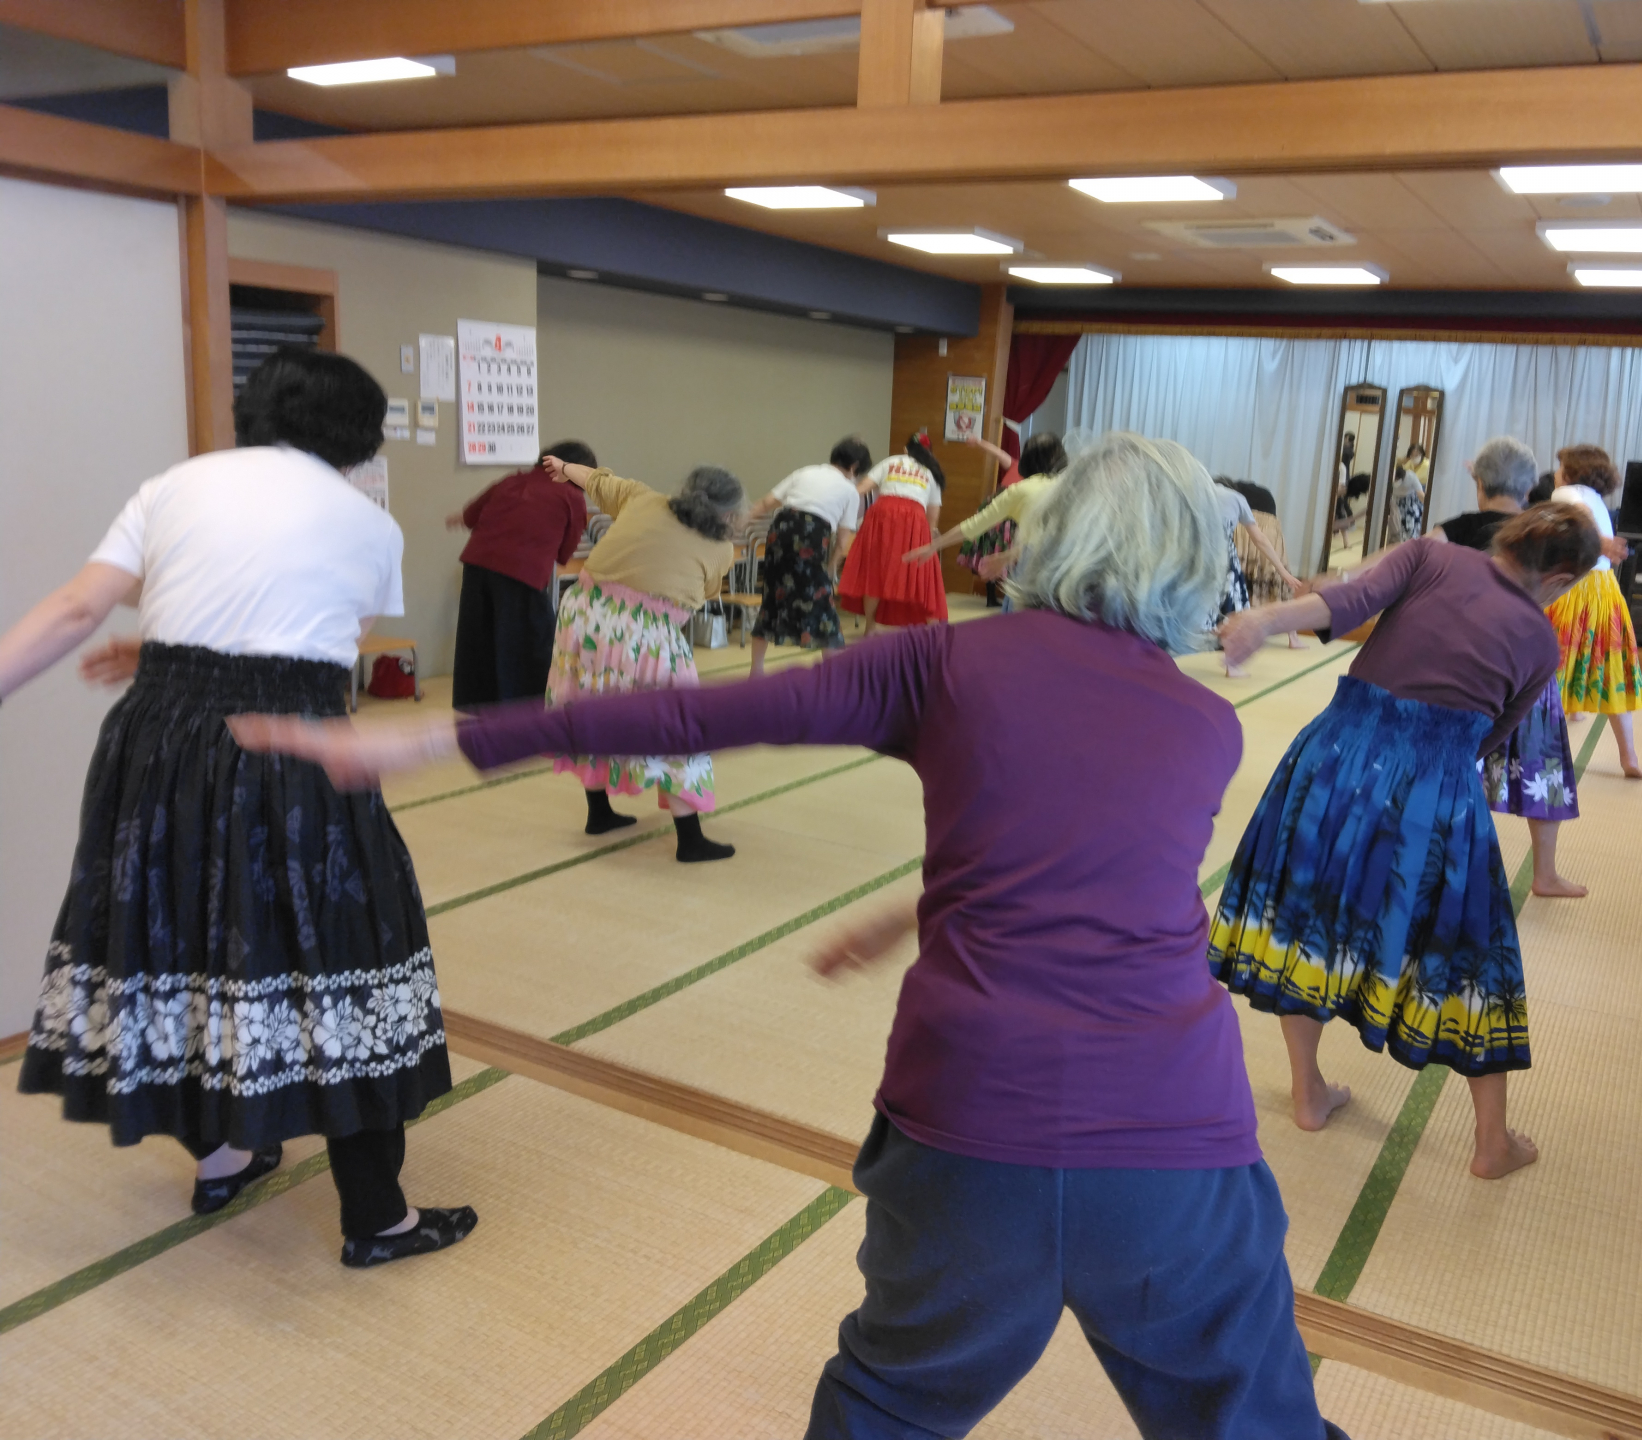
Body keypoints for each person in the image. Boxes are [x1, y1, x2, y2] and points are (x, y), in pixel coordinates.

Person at [234, 433, 1348, 1440]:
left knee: (888, 1408)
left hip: (971, 1121)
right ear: (1189, 561)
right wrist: (919, 909)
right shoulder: (1208, 726)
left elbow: (697, 711)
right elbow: (1107, 880)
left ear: (1051, 536)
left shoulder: (948, 663)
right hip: (1177, 1140)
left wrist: (438, 740)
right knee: (1256, 1419)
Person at [0, 348, 473, 1267]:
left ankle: (223, 1156)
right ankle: (377, 1219)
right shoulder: (370, 526)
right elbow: (325, 650)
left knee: (173, 938)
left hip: (155, 747)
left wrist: (160, 658)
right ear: (359, 436)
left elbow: (75, 609)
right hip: (289, 748)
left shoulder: (174, 485)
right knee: (344, 953)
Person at [1210, 503, 1601, 1180]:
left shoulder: (1429, 556)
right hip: (1436, 787)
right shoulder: (1540, 643)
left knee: (1307, 916)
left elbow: (1344, 600)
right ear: (1561, 578)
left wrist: (1265, 620)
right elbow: (1490, 738)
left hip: (1334, 759)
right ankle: (1492, 1143)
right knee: (1475, 954)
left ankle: (1308, 1093)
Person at [543, 455, 742, 857]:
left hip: (583, 614)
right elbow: (703, 593)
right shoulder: (720, 548)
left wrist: (564, 468)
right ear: (727, 513)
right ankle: (690, 839)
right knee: (679, 722)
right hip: (643, 631)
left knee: (590, 708)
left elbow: (596, 480)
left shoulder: (642, 498)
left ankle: (599, 812)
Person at [1440, 438, 1588, 898]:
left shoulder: (1456, 529)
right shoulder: (1540, 533)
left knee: (1451, 762)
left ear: (1479, 485)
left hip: (1463, 664)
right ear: (1528, 489)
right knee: (1543, 765)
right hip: (1525, 659)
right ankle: (1545, 874)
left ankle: (1444, 865)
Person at [445, 439, 593, 711]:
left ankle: (475, 705)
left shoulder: (512, 481)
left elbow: (470, 515)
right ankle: (524, 708)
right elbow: (564, 554)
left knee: (479, 637)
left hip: (476, 565)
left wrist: (462, 519)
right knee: (528, 642)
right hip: (522, 573)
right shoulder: (572, 498)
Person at [1547, 444, 1642, 779]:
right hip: (1605, 589)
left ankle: (1546, 750)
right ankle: (1628, 755)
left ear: (1571, 473)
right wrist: (1603, 542)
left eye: (1559, 467)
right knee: (1608, 665)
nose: (1555, 473)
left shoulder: (1565, 494)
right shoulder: (1596, 499)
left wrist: (1600, 542)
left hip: (1574, 589)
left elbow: (1578, 514)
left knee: (1555, 665)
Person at [744, 436, 870, 677]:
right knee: (822, 602)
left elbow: (765, 503)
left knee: (772, 598)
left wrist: (735, 525)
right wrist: (831, 569)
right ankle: (836, 673)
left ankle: (756, 670)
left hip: (780, 529)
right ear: (854, 467)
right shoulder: (850, 491)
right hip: (810, 534)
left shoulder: (805, 472)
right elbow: (842, 541)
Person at [902, 431, 1068, 581]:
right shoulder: (1070, 487)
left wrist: (934, 545)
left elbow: (973, 525)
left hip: (1034, 570)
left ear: (1027, 459)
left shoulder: (1020, 490)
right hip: (1068, 568)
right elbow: (1051, 540)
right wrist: (1008, 556)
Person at [836, 431, 948, 634]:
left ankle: (870, 627)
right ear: (929, 452)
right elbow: (933, 511)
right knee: (918, 575)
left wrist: (838, 508)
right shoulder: (932, 472)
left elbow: (860, 489)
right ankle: (926, 630)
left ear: (905, 450)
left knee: (874, 573)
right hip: (914, 521)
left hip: (881, 516)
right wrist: (930, 536)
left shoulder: (891, 461)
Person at [947, 431, 1069, 604]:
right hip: (1000, 518)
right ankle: (994, 596)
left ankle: (1003, 595)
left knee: (1006, 554)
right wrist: (979, 442)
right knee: (996, 552)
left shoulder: (1044, 482)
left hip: (1009, 519)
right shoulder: (1016, 466)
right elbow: (997, 452)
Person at [1214, 478, 1301, 677]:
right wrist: (1283, 571)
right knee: (1234, 611)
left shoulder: (1202, 493)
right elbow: (1260, 540)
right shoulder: (1237, 499)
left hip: (1202, 556)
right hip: (1223, 559)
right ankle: (1232, 664)